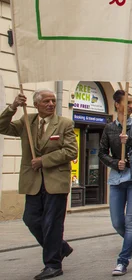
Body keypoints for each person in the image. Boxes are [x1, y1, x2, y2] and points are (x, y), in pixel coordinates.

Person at [0, 90, 77, 280]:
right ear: (36, 104)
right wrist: (13, 107)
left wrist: (44, 160)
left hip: (56, 181)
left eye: (53, 100)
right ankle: (61, 247)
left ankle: (52, 264)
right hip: (33, 181)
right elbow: (2, 127)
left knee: (52, 223)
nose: (51, 104)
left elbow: (71, 151)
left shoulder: (64, 123)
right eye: (46, 101)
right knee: (31, 219)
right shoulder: (28, 121)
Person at [98, 90, 132, 276]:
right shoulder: (109, 128)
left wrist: (130, 140)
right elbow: (102, 153)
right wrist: (115, 163)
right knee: (117, 222)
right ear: (116, 104)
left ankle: (122, 261)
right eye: (127, 102)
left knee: (131, 222)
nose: (131, 106)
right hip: (116, 178)